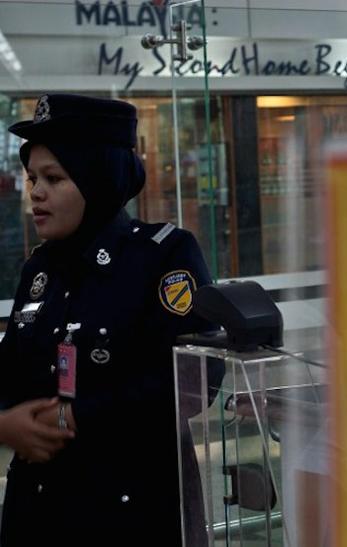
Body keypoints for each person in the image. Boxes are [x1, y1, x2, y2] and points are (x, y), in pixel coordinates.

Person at [0, 94, 217, 546]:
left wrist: (73, 417)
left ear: (98, 180)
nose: (35, 192)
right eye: (32, 177)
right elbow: (11, 374)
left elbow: (195, 377)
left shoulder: (162, 255)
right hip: (37, 515)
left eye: (54, 178)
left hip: (127, 515)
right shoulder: (37, 270)